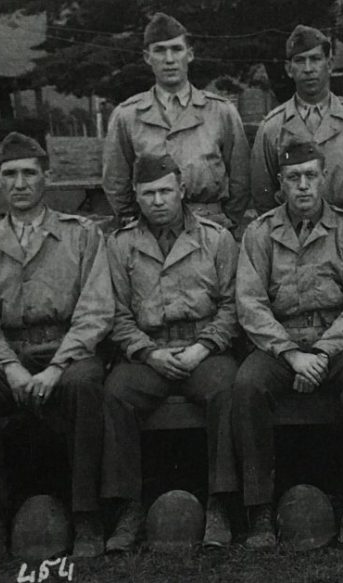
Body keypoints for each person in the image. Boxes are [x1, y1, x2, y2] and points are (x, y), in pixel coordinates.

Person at [0, 132, 113, 559]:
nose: (20, 183)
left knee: (85, 385)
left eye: (29, 173)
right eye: (10, 174)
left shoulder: (80, 235)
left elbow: (96, 310)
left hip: (68, 352)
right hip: (12, 356)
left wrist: (57, 367)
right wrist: (10, 367)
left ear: (47, 178)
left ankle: (86, 517)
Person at [233, 141, 343, 549]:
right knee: (247, 385)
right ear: (280, 185)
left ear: (324, 179)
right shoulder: (261, 232)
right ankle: (260, 508)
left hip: (334, 342)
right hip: (280, 346)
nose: (303, 186)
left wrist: (321, 353)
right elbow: (250, 304)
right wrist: (290, 353)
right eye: (293, 178)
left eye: (311, 176)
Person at [102, 154, 240, 551]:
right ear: (136, 197)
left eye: (166, 190)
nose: (158, 200)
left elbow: (233, 306)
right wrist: (147, 353)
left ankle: (220, 503)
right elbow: (117, 314)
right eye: (149, 193)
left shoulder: (216, 238)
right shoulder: (121, 244)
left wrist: (203, 347)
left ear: (182, 190)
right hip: (150, 352)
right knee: (116, 394)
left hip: (205, 347)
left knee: (226, 390)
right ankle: (128, 508)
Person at [103, 12, 250, 231]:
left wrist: (229, 220)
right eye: (160, 51)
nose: (169, 59)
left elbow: (241, 176)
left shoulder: (221, 111)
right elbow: (115, 179)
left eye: (177, 49)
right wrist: (131, 219)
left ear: (189, 55)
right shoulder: (127, 115)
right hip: (150, 226)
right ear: (147, 57)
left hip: (209, 223)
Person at [251, 25, 343, 237]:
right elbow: (263, 195)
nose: (308, 69)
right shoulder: (272, 127)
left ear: (330, 64)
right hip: (294, 236)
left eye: (315, 59)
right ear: (289, 69)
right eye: (300, 61)